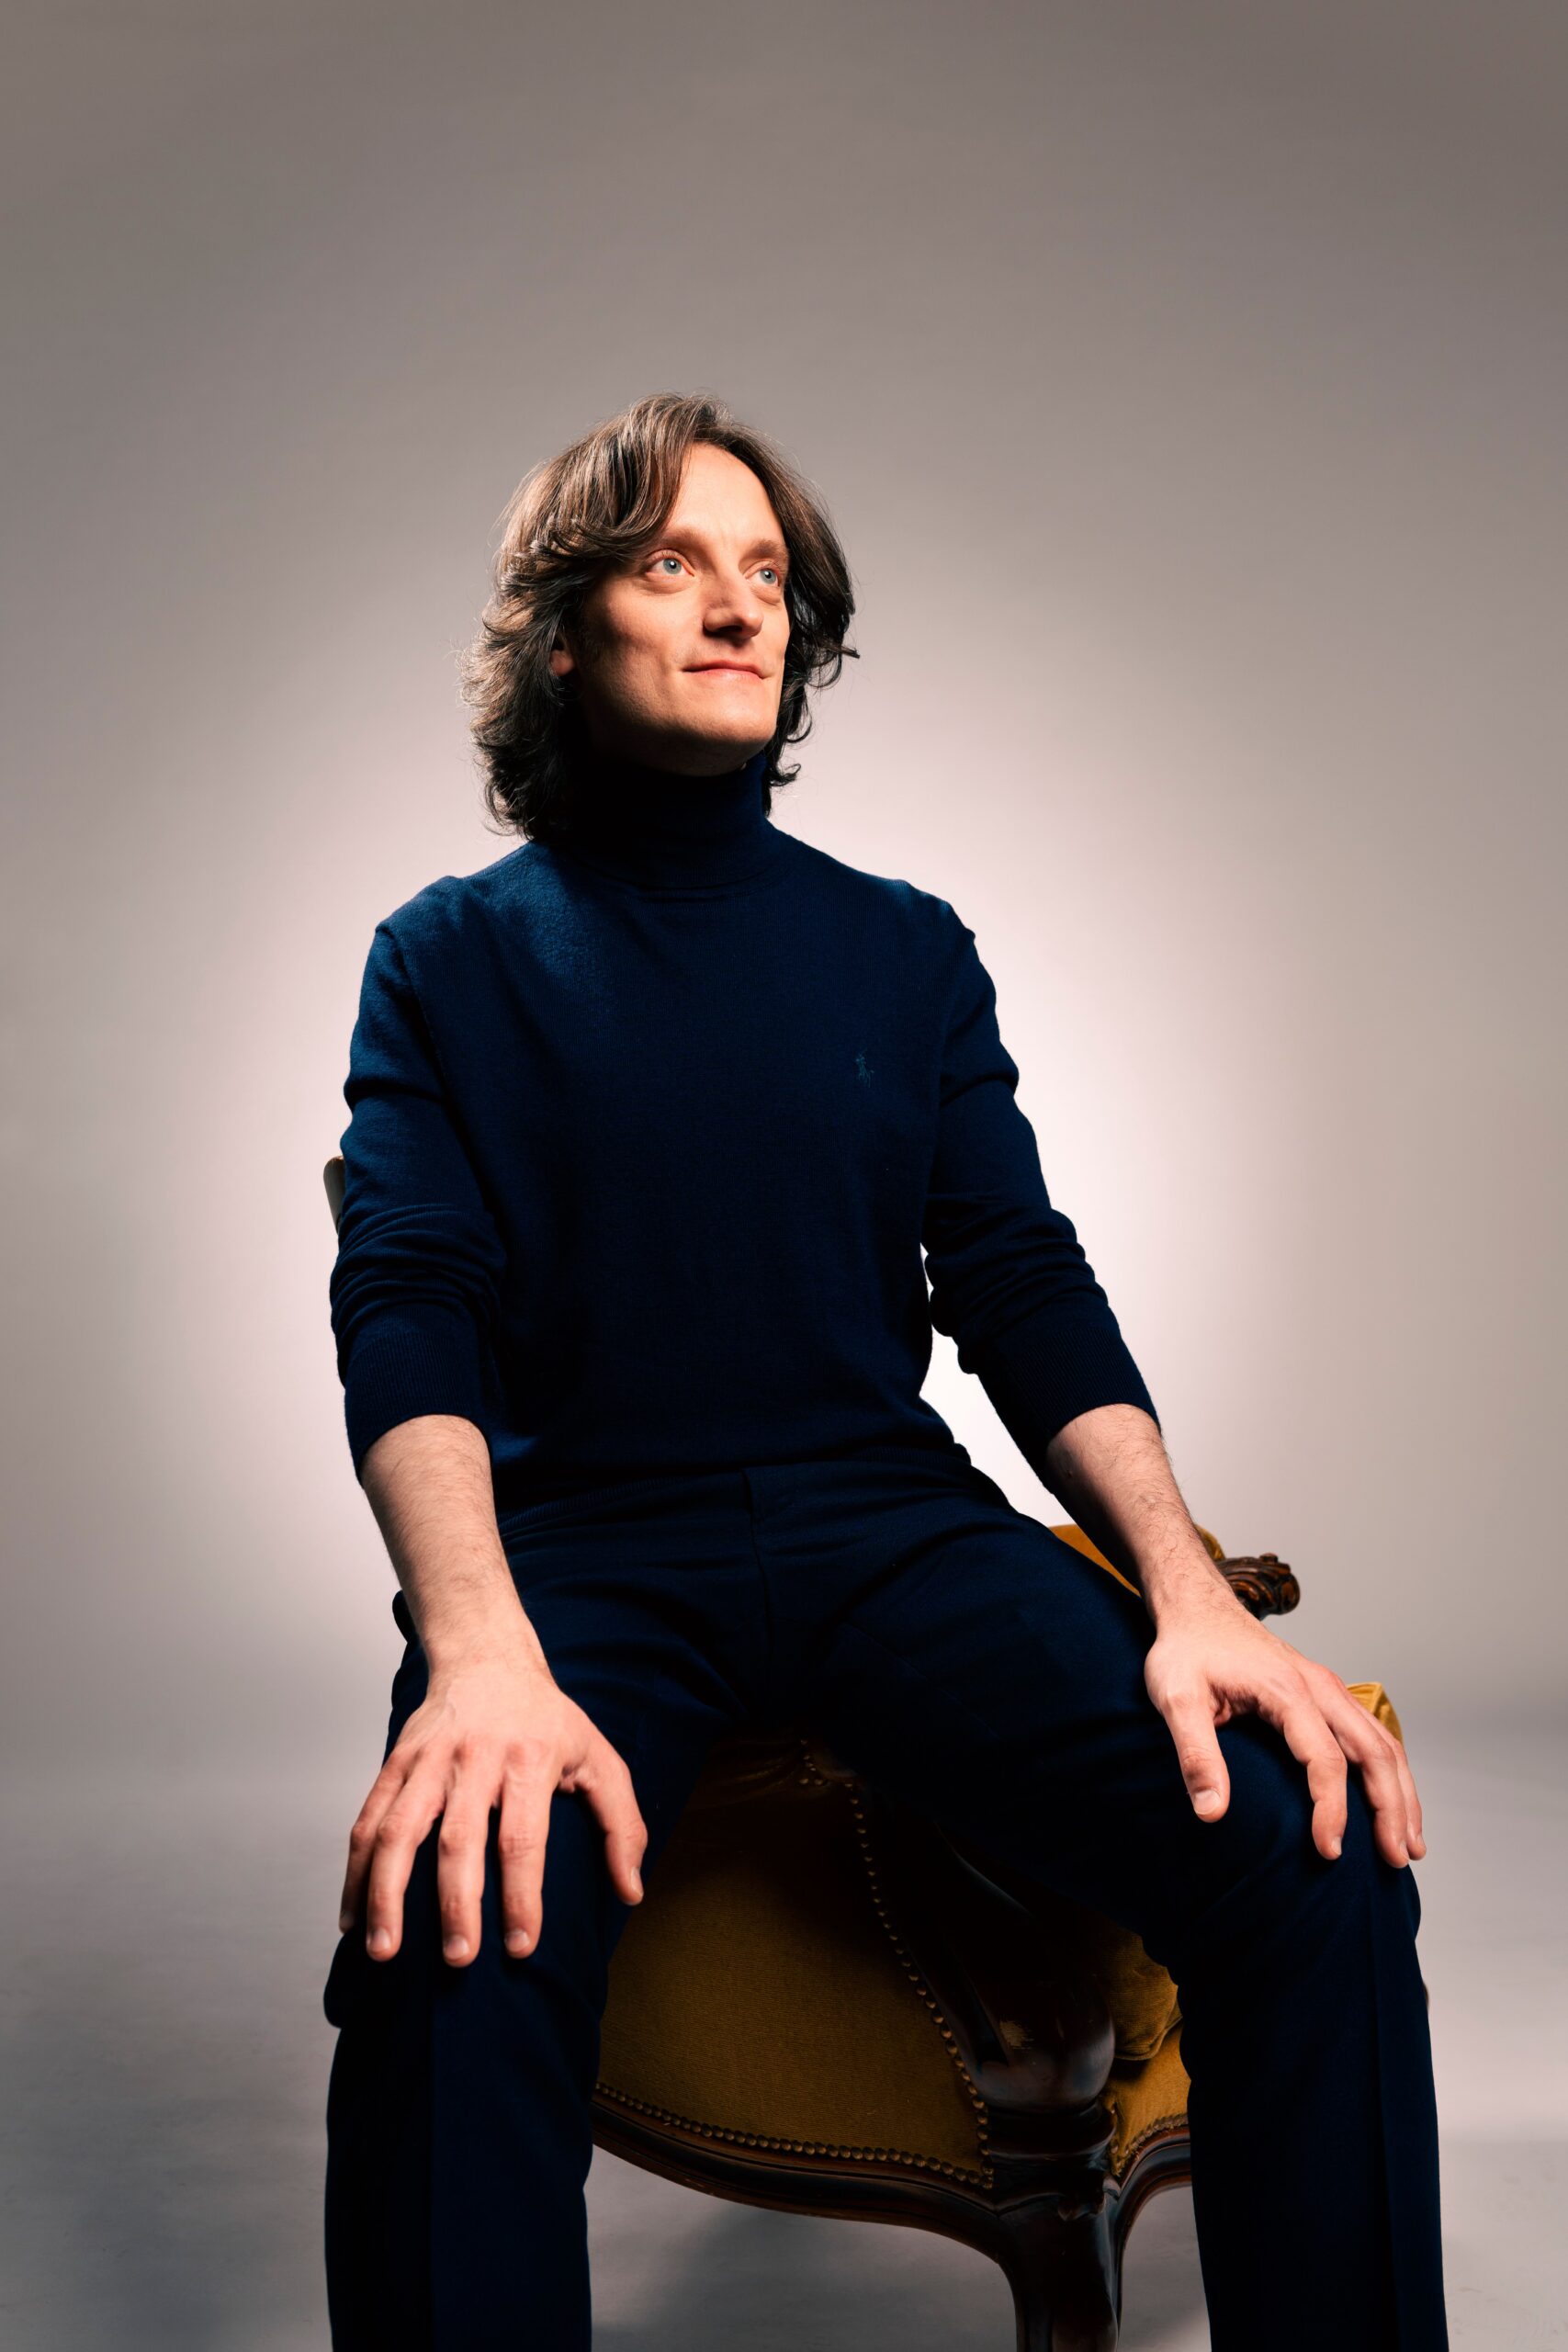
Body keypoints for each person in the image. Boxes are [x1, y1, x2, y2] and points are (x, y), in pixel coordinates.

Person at [321, 391, 1447, 2349]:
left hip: (886, 1529)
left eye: (765, 572)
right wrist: (478, 1647)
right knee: (450, 1919)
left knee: (1307, 1845)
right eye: (672, 562)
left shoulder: (904, 950)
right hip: (588, 1555)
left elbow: (1016, 1278)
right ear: (565, 634)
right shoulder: (445, 959)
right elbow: (404, 1295)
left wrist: (1186, 1593)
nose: (736, 606)